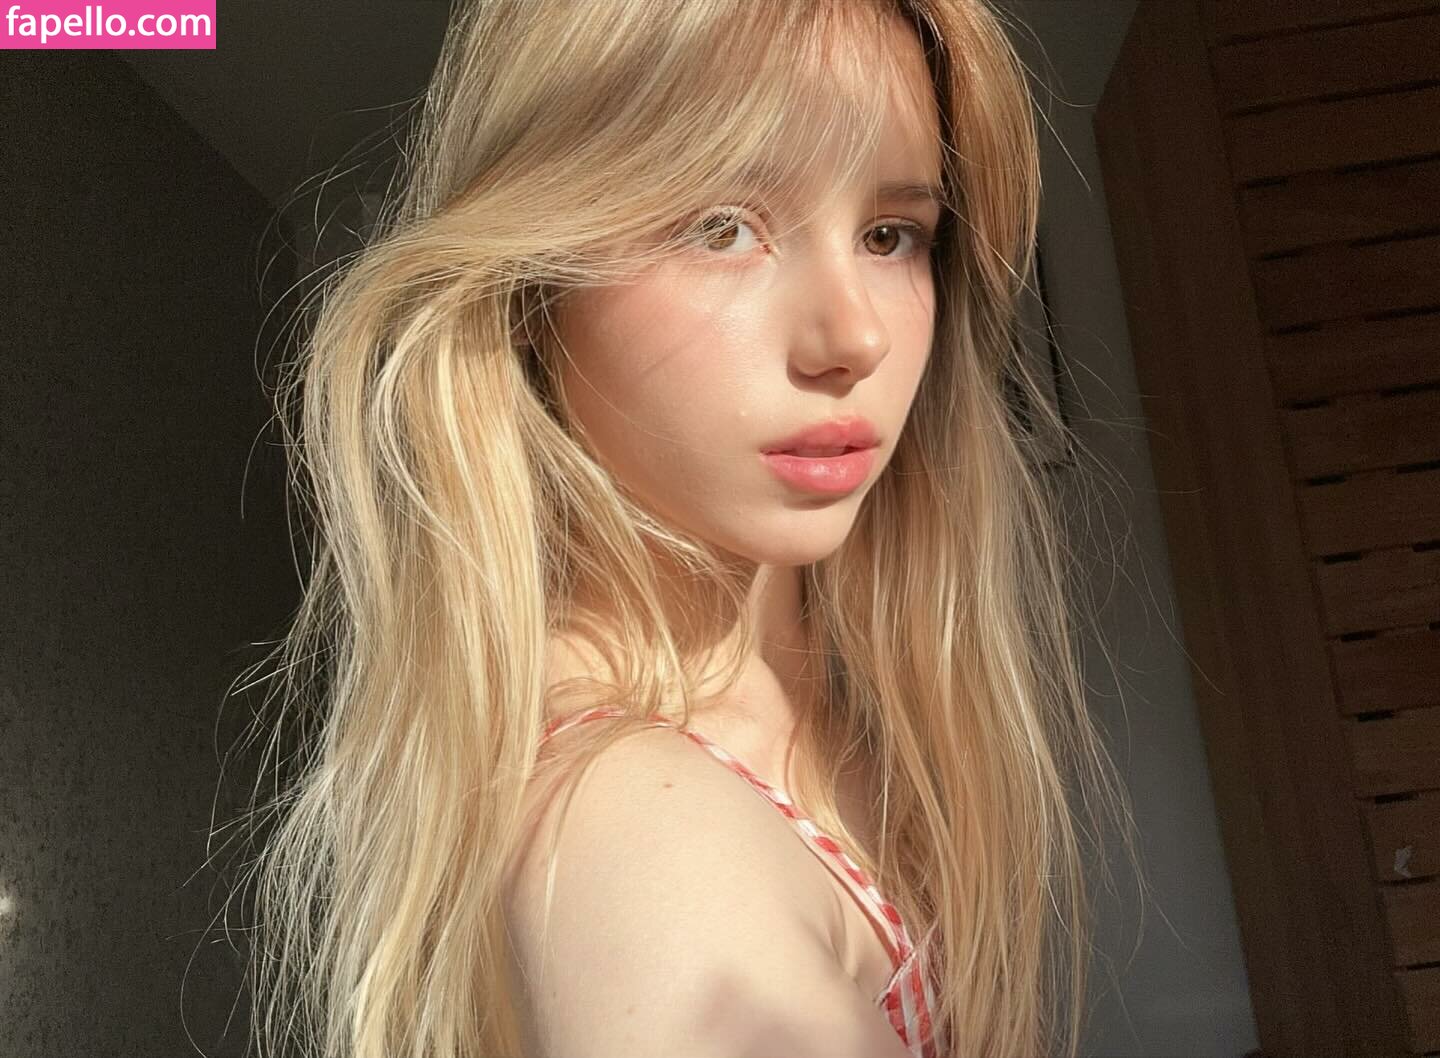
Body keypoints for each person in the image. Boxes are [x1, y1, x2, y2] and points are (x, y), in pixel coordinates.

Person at [232, 1, 1138, 1056]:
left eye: (891, 235)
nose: (853, 334)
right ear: (534, 281)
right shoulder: (636, 839)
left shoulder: (817, 703)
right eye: (721, 226)